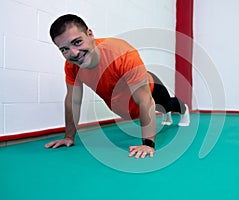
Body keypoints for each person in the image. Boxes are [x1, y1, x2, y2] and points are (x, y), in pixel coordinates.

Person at [45, 14, 190, 158]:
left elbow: (146, 101)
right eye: (64, 49)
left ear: (90, 34)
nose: (74, 53)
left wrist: (148, 144)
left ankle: (182, 108)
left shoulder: (123, 54)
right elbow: (73, 101)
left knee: (166, 104)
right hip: (127, 104)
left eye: (77, 42)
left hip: (151, 89)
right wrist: (69, 136)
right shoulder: (72, 67)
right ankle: (167, 114)